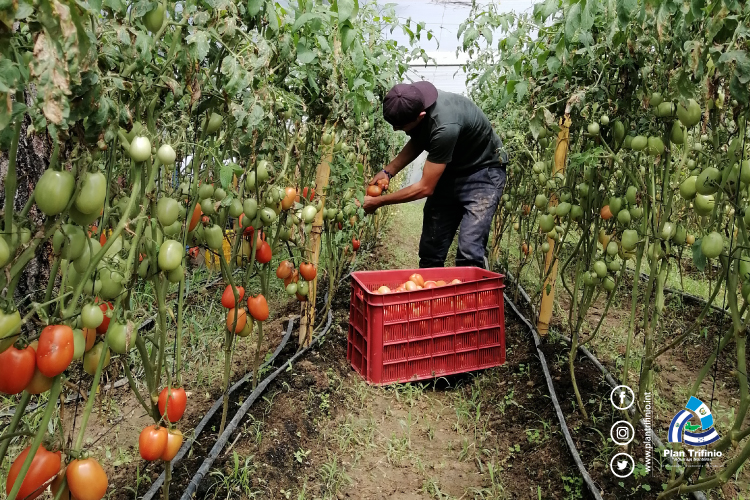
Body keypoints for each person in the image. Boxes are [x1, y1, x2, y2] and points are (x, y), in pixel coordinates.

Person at [363, 81, 508, 269]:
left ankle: (468, 296)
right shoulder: (412, 99)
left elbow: (425, 187)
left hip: (483, 173)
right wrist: (388, 172)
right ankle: (431, 295)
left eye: (401, 126)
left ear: (421, 115)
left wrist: (379, 202)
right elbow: (419, 138)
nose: (395, 130)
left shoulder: (445, 127)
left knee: (469, 252)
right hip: (451, 171)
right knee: (431, 249)